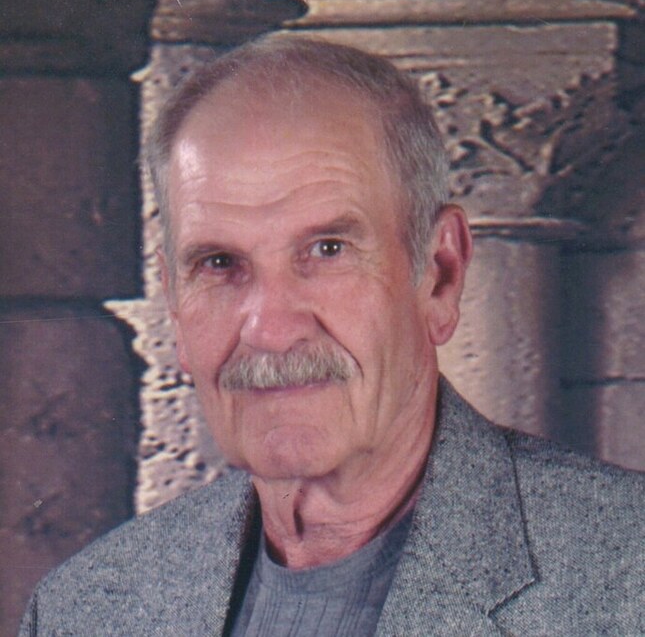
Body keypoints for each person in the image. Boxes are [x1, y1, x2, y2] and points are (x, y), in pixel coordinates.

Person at [21, 36, 643, 636]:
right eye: (219, 264)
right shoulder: (85, 611)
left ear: (440, 276)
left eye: (328, 250)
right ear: (175, 305)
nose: (271, 331)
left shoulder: (624, 579)